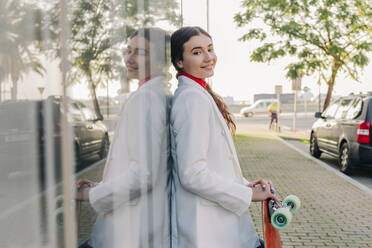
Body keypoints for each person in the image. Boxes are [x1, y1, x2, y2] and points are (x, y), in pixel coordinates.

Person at [169, 26, 278, 248]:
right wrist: (247, 196)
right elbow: (192, 174)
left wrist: (246, 186)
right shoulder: (192, 99)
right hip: (210, 230)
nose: (209, 57)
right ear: (180, 61)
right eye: (197, 52)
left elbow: (212, 164)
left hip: (220, 225)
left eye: (210, 49)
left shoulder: (198, 93)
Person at [76, 27, 171, 248]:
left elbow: (142, 175)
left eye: (141, 52)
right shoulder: (157, 95)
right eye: (128, 50)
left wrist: (93, 194)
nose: (129, 58)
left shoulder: (145, 100)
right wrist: (102, 185)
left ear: (161, 59)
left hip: (130, 227)